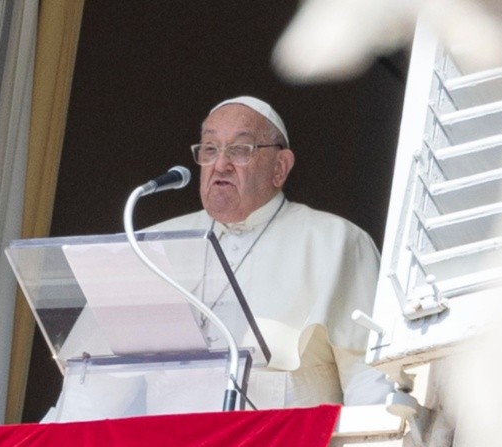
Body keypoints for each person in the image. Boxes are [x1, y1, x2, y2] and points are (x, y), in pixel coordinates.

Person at [148, 96, 393, 408]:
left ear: (280, 167)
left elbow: (368, 374)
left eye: (239, 149)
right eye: (210, 149)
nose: (220, 164)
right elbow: (93, 384)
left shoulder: (337, 241)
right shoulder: (151, 244)